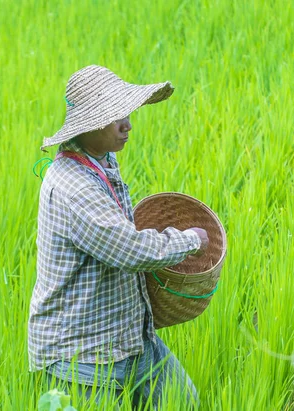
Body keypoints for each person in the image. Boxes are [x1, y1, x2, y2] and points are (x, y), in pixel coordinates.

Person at [28, 65, 209, 408]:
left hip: (127, 335)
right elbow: (132, 250)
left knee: (182, 401)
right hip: (81, 355)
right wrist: (192, 239)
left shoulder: (102, 158)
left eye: (126, 113)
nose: (127, 124)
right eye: (115, 118)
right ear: (89, 126)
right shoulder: (73, 187)